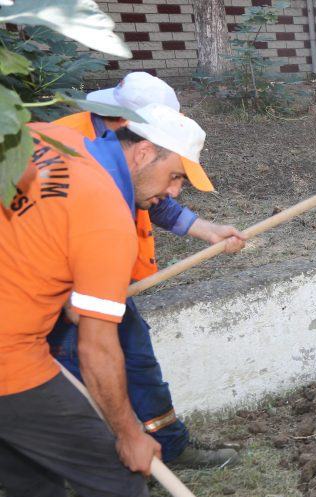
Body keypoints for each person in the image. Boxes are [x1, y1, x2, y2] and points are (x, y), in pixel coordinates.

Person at [0, 117, 221, 497]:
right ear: (144, 151)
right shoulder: (106, 217)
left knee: (28, 464)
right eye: (173, 177)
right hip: (10, 361)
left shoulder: (46, 136)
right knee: (118, 479)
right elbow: (99, 347)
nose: (171, 193)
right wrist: (128, 433)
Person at [51, 72, 246, 469]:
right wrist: (70, 295)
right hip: (60, 291)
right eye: (175, 176)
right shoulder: (71, 151)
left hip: (105, 282)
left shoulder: (133, 158)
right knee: (81, 379)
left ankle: (170, 446)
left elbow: (154, 196)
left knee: (137, 358)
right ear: (137, 135)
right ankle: (105, 469)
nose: (175, 188)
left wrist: (207, 231)